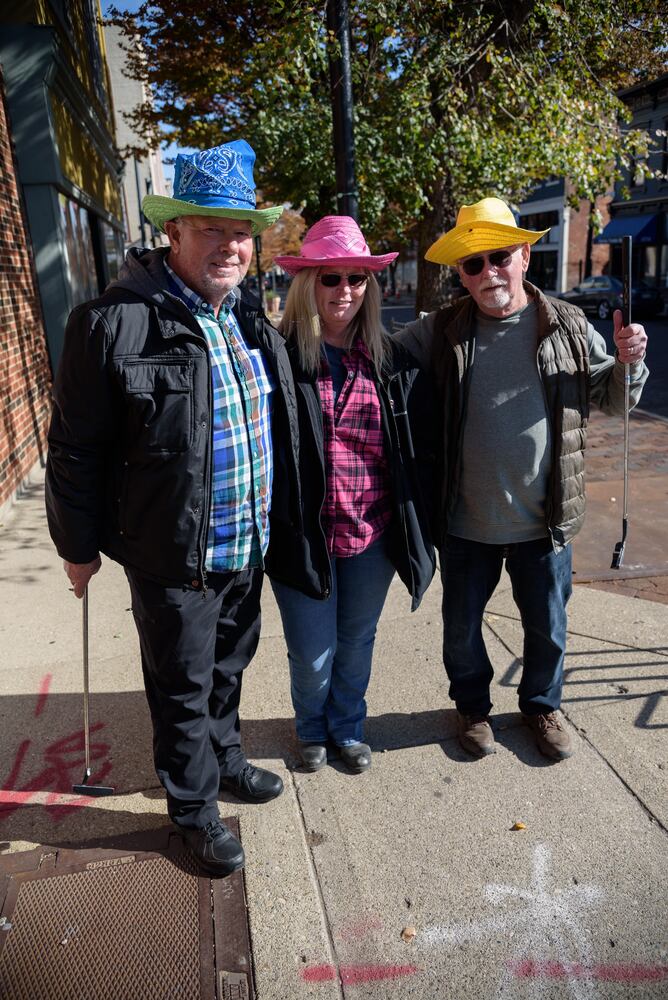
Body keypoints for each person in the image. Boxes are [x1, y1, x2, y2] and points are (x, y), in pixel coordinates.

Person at [45, 140, 300, 876]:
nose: (229, 245)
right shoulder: (109, 324)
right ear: (174, 233)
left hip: (242, 549)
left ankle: (225, 762)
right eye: (210, 227)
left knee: (228, 670)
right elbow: (74, 450)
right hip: (172, 558)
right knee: (182, 690)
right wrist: (76, 543)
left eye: (241, 231)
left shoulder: (244, 318)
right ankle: (192, 813)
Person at [396, 197, 649, 762]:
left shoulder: (568, 323)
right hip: (464, 520)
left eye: (500, 257)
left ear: (526, 256)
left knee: (548, 626)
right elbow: (371, 356)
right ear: (461, 273)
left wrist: (632, 362)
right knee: (461, 629)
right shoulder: (438, 330)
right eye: (473, 264)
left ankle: (540, 704)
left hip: (544, 517)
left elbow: (612, 397)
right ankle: (472, 709)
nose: (489, 273)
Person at [265, 216, 436, 773]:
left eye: (356, 279)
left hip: (371, 534)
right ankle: (311, 727)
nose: (344, 290)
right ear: (306, 284)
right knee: (312, 655)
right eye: (331, 277)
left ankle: (347, 727)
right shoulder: (279, 359)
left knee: (357, 641)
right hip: (304, 538)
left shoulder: (390, 362)